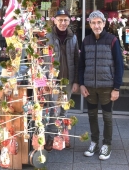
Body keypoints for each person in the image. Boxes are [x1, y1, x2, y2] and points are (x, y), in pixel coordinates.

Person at [78, 10, 124, 160]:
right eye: (93, 22)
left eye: (99, 22)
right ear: (89, 24)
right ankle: (94, 142)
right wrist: (82, 84)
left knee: (107, 117)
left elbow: (119, 65)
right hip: (90, 86)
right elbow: (81, 65)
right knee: (92, 116)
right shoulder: (86, 41)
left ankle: (107, 144)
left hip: (107, 86)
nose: (96, 25)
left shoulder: (112, 40)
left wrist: (116, 88)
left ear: (104, 23)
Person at [44, 9, 79, 152]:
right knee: (54, 110)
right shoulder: (48, 37)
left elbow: (77, 60)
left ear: (69, 22)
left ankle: (62, 136)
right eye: (60, 20)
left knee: (64, 109)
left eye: (65, 20)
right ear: (55, 20)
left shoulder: (73, 38)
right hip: (53, 81)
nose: (63, 23)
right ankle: (51, 138)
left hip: (68, 81)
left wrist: (76, 80)